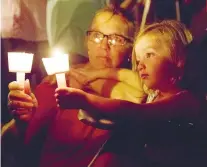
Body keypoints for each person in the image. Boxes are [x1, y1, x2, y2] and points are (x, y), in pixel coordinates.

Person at [5, 5, 145, 167]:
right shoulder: (59, 80)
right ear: (86, 40)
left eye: (116, 39)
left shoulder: (134, 83)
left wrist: (91, 75)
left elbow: (140, 97)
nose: (104, 45)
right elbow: (10, 143)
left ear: (130, 49)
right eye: (97, 35)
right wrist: (20, 121)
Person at [55, 20, 207, 167]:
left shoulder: (185, 101)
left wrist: (86, 99)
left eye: (149, 55)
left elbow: (134, 112)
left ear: (179, 59)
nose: (141, 65)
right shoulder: (153, 96)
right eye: (138, 59)